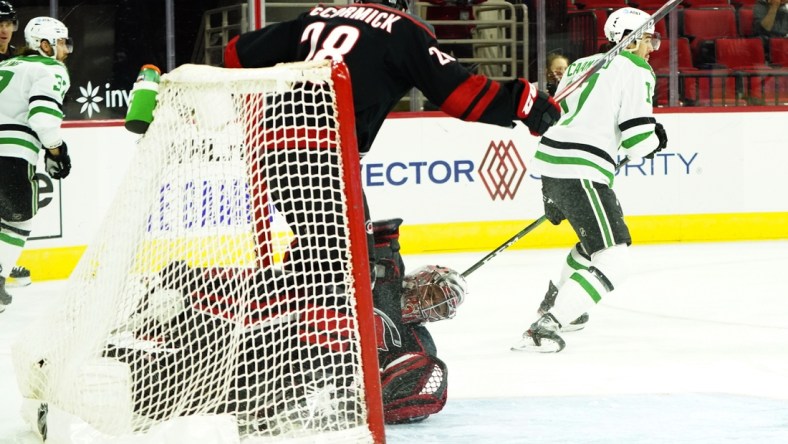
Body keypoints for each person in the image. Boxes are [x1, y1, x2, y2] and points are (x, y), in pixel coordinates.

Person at [223, 0, 559, 421]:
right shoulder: (402, 28)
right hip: (326, 152)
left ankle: (291, 348)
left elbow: (236, 52)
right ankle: (308, 373)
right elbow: (460, 94)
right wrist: (525, 103)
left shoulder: (317, 15)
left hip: (272, 148)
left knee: (324, 255)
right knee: (336, 264)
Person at [511, 7, 668, 353]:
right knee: (615, 259)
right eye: (647, 39)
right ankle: (546, 326)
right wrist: (656, 138)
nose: (651, 48)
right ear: (629, 41)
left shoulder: (581, 64)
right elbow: (638, 143)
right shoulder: (635, 68)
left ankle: (556, 303)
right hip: (580, 169)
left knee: (590, 243)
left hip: (552, 166)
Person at [0, 16, 73, 311]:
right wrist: (56, 151)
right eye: (61, 43)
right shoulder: (50, 67)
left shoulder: (5, 65)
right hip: (11, 154)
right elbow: (42, 119)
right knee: (19, 218)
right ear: (44, 45)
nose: (66, 50)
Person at [0, 2, 35, 288]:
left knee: (12, 208)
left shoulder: (19, 61)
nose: (3, 30)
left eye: (7, 23)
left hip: (8, 146)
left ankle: (3, 263)